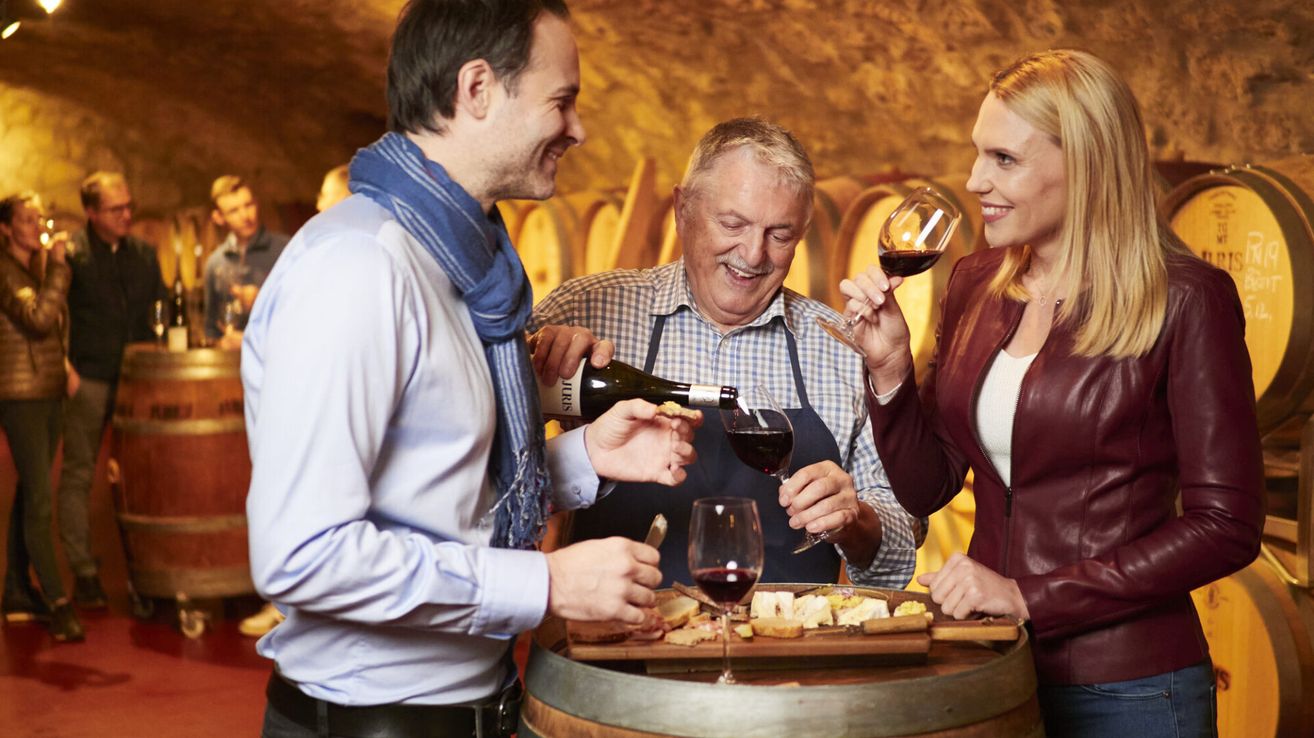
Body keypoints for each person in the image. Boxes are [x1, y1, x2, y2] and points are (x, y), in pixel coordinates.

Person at [242, 2, 698, 736]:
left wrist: (586, 457)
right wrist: (543, 582)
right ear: (478, 89)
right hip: (371, 722)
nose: (578, 129)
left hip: (476, 707)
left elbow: (441, 495)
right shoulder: (359, 268)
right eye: (562, 100)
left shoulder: (468, 268)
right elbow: (302, 555)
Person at [843, 49, 1264, 737]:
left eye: (1004, 159)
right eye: (978, 153)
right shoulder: (975, 283)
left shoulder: (1188, 299)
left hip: (1130, 689)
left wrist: (1029, 596)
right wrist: (889, 371)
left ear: (1087, 164)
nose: (975, 180)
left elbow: (1227, 526)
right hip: (991, 666)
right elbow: (926, 488)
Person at [530, 117, 922, 588]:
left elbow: (899, 545)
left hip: (787, 633)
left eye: (780, 235)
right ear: (682, 210)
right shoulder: (583, 310)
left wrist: (856, 520)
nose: (753, 254)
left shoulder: (843, 346)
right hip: (615, 631)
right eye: (733, 224)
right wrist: (534, 380)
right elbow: (488, 489)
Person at [237, 163, 354, 640]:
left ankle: (296, 609)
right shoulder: (326, 250)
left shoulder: (334, 253)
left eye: (325, 193)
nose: (318, 203)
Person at [59, 171, 166, 610]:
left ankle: (146, 576)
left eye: (128, 206)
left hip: (135, 382)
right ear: (91, 212)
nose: (126, 214)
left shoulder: (143, 253)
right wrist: (65, 367)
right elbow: (56, 315)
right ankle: (84, 571)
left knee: (140, 480)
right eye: (115, 209)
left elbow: (160, 311)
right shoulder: (72, 255)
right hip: (88, 379)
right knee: (79, 474)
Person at [0, 192, 85, 642]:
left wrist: (63, 367)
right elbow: (37, 316)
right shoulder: (5, 271)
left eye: (39, 219)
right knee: (39, 500)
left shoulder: (28, 269)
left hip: (46, 389)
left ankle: (16, 592)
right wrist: (59, 267)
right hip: (21, 396)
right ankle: (57, 601)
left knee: (29, 495)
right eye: (27, 220)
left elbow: (50, 329)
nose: (37, 226)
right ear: (5, 228)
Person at [203, 175, 289, 346]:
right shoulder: (215, 263)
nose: (245, 216)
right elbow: (211, 329)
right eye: (234, 211)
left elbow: (303, 312)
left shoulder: (285, 250)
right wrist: (222, 343)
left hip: (274, 355)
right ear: (219, 217)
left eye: (248, 205)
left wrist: (261, 300)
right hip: (230, 359)